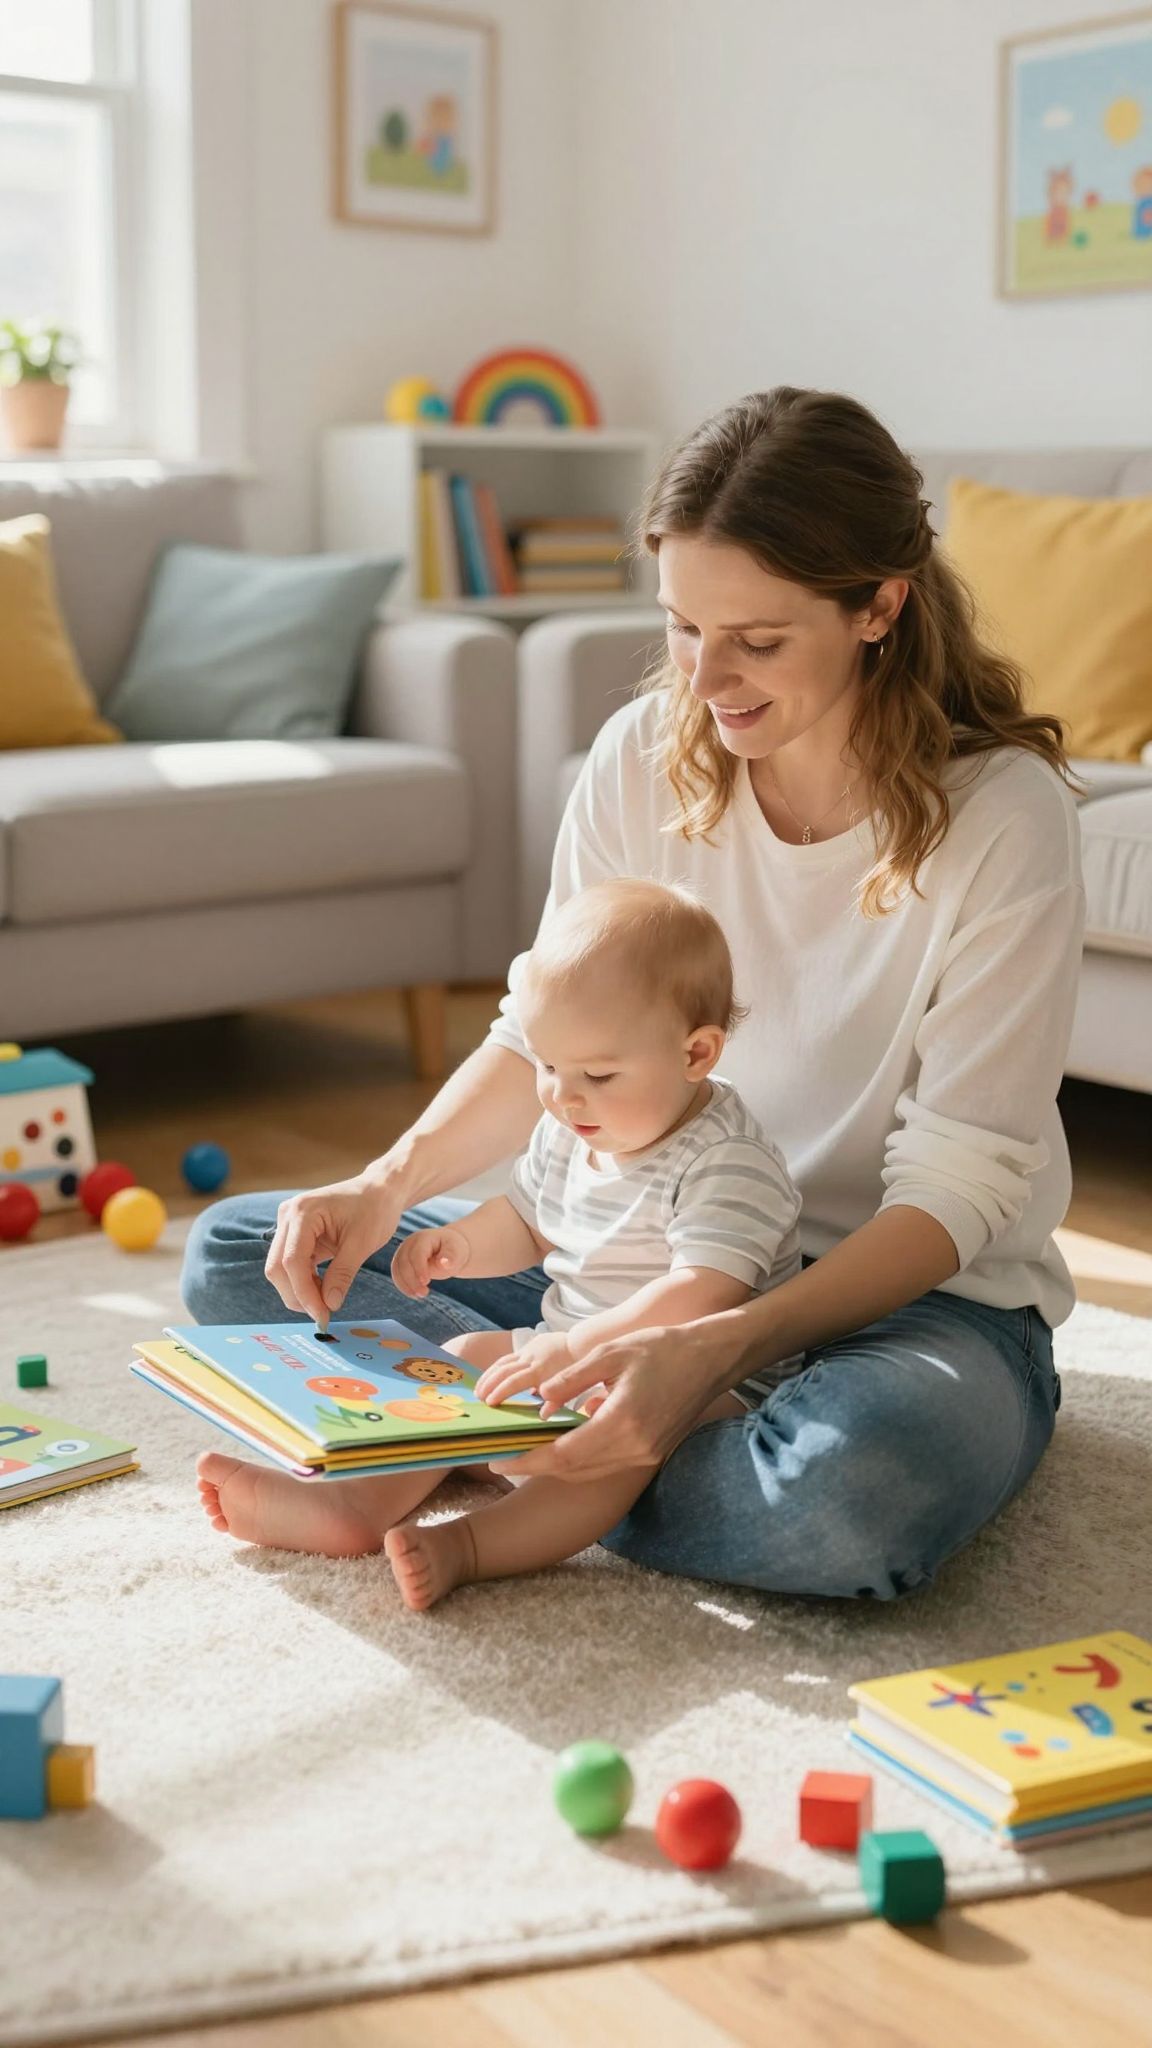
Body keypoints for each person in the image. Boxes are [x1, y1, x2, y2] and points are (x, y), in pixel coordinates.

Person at [185, 385, 1085, 1603]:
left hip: (904, 1304)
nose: (708, 681)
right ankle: (567, 1443)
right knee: (246, 1253)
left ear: (880, 605)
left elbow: (957, 1191)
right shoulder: (642, 758)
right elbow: (538, 1040)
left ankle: (490, 1450)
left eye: (757, 640)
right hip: (624, 1254)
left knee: (847, 1497)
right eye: (681, 627)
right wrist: (383, 1182)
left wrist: (711, 1341)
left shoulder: (1003, 819)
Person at [198, 879, 803, 1605]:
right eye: (548, 1066)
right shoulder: (571, 1127)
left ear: (697, 1053)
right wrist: (459, 1246)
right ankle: (352, 1503)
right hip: (570, 1351)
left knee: (606, 1434)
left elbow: (701, 1293)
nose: (563, 1095)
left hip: (703, 1384)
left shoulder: (727, 1161)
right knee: (455, 1361)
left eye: (598, 1074)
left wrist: (579, 1352)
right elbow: (529, 1220)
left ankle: (473, 1543)